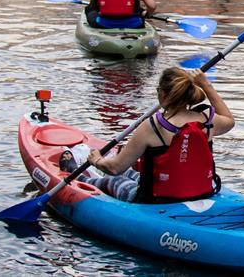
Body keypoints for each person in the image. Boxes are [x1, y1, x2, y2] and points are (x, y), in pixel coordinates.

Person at [76, 67, 233, 203]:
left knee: (113, 179)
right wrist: (206, 85)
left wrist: (96, 160)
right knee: (133, 173)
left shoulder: (152, 126)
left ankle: (81, 178)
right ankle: (96, 169)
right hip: (200, 193)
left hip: (156, 201)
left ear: (162, 94)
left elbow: (115, 168)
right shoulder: (207, 120)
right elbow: (229, 120)